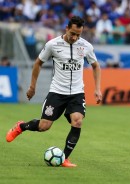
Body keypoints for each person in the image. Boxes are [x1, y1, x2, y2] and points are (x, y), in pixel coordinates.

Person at [6, 16, 102, 167]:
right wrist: (32, 86)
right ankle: (21, 126)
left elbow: (96, 66)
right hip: (57, 91)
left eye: (78, 34)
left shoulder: (86, 46)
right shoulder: (52, 44)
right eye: (72, 33)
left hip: (77, 93)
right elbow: (38, 63)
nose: (75, 37)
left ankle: (65, 158)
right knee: (44, 126)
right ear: (66, 28)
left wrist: (97, 89)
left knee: (77, 121)